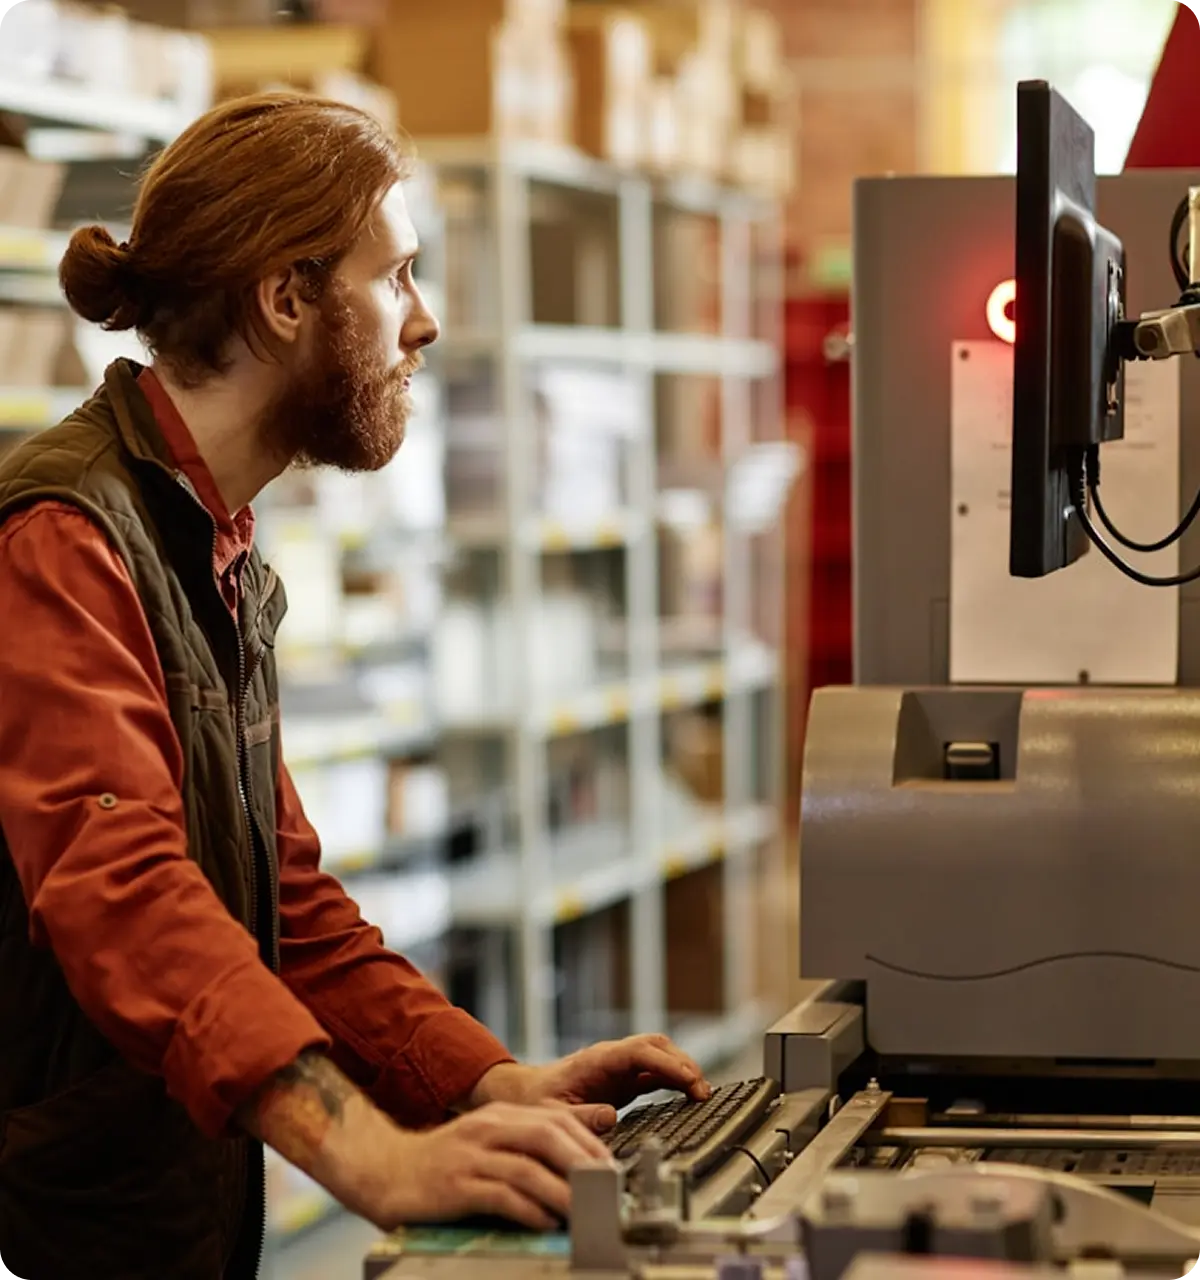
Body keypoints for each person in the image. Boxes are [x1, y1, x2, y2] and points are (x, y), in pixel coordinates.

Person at [0, 91, 711, 1279]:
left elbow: (287, 907)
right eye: (399, 278)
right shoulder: (66, 540)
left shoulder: (211, 541)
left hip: (167, 1216)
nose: (424, 323)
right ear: (285, 300)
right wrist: (377, 1161)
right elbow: (120, 890)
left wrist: (484, 1080)